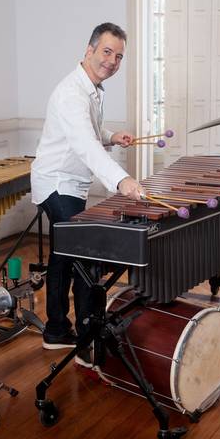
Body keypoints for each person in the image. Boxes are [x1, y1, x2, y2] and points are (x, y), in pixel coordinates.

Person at [30, 22, 145, 360]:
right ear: (89, 50)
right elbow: (84, 145)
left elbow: (89, 131)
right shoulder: (71, 93)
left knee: (63, 255)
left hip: (69, 182)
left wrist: (111, 136)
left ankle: (56, 330)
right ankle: (86, 340)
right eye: (107, 52)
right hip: (57, 183)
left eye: (119, 56)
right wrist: (122, 180)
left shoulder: (90, 88)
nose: (112, 61)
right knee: (83, 255)